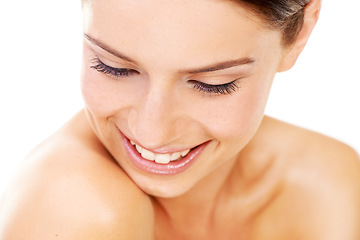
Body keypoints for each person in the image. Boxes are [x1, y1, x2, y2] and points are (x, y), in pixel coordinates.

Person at [1, 0, 359, 239]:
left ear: (299, 33)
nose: (151, 132)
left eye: (211, 84)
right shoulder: (81, 211)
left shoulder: (329, 180)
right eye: (112, 66)